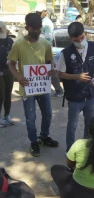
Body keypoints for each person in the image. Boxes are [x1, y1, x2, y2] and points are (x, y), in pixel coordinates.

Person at [7, 13, 59, 157]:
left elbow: (49, 61)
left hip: (42, 87)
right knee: (31, 118)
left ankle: (44, 137)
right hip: (27, 88)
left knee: (48, 114)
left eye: (39, 29)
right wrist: (18, 77)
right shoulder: (18, 44)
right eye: (33, 29)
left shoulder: (45, 44)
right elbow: (11, 64)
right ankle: (33, 142)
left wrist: (51, 69)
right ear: (26, 27)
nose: (36, 32)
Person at [51, 116, 94, 198]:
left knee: (56, 169)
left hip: (77, 192)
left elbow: (70, 165)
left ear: (89, 131)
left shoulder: (79, 144)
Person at [56, 22, 94, 152]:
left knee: (90, 124)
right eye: (76, 39)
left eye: (82, 37)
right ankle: (70, 151)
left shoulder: (93, 47)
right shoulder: (66, 53)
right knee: (72, 125)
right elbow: (60, 74)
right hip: (74, 97)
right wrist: (77, 77)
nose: (80, 41)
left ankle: (87, 150)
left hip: (89, 95)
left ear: (85, 34)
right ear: (70, 39)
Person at [35, 3, 64, 98]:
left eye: (40, 12)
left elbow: (48, 40)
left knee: (51, 71)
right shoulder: (39, 22)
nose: (38, 14)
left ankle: (59, 90)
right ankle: (40, 89)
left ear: (45, 12)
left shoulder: (46, 23)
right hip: (38, 51)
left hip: (45, 51)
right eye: (37, 12)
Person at [0, 21, 14, 127]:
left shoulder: (9, 41)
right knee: (1, 94)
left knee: (8, 93)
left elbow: (14, 55)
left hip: (8, 70)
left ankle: (7, 115)